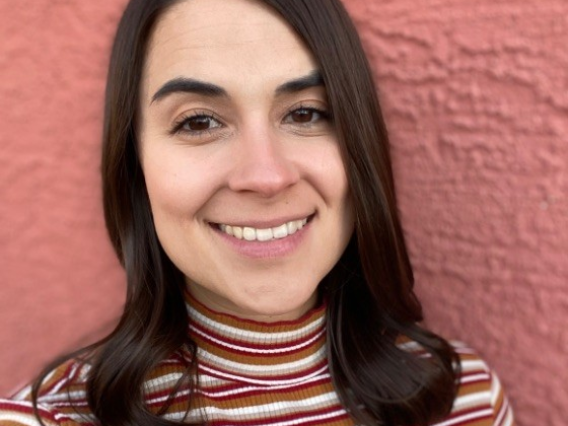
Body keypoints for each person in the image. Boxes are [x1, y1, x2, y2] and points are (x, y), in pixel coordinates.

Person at [0, 0, 514, 425]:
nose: (266, 176)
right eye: (199, 122)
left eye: (306, 113)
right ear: (135, 165)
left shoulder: (463, 401)